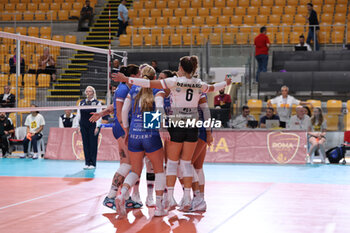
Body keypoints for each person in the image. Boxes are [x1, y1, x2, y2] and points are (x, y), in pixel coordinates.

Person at [112, 56, 231, 212]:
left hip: (175, 123)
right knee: (186, 163)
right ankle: (187, 198)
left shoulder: (173, 81)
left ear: (181, 68)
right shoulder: (198, 83)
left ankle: (168, 200)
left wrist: (126, 79)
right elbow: (212, 88)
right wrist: (226, 83)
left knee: (172, 164)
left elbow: (148, 83)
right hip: (192, 124)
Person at [116, 64, 168, 217]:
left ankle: (122, 194)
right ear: (154, 78)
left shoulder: (133, 90)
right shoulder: (156, 90)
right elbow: (159, 108)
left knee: (135, 171)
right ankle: (158, 207)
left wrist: (126, 130)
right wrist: (163, 128)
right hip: (150, 132)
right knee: (159, 170)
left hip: (134, 134)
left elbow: (125, 111)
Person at [90, 65, 143, 209]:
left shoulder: (126, 87)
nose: (140, 77)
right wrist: (126, 131)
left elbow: (113, 107)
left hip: (124, 128)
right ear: (132, 75)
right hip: (122, 128)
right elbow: (119, 113)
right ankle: (111, 196)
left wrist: (101, 114)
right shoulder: (123, 89)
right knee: (129, 163)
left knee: (127, 164)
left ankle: (124, 196)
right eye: (138, 74)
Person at [73, 86, 101, 169]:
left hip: (93, 125)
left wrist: (97, 127)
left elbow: (99, 115)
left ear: (93, 93)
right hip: (83, 125)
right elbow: (78, 115)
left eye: (90, 91)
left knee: (93, 144)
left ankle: (93, 163)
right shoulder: (81, 103)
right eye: (87, 91)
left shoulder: (97, 103)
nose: (88, 93)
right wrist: (77, 126)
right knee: (85, 144)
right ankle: (87, 162)